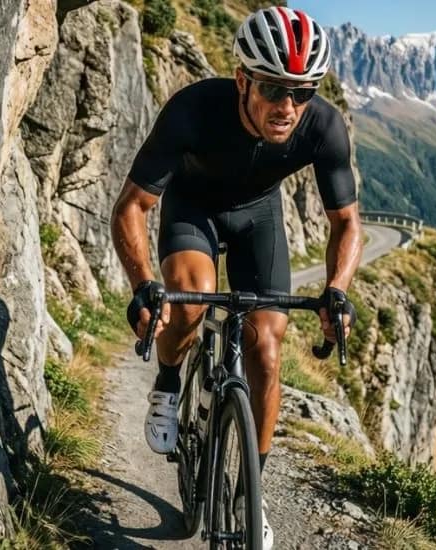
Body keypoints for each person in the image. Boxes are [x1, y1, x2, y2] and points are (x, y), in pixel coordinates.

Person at [110, 7, 362, 548]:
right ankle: (170, 381)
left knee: (267, 348)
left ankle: (251, 493)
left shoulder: (322, 125)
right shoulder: (193, 110)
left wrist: (337, 289)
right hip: (192, 209)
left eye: (303, 90)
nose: (288, 106)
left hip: (259, 217)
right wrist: (144, 286)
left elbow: (346, 222)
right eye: (274, 88)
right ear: (244, 79)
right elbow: (131, 207)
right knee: (192, 302)